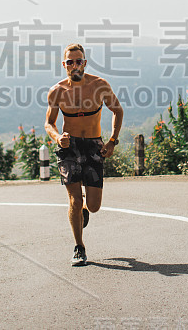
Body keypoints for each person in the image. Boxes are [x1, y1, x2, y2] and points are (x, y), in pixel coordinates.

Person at [45, 43, 123, 266]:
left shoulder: (99, 85)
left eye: (79, 61)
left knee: (95, 205)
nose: (75, 65)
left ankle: (86, 210)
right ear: (64, 65)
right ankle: (79, 246)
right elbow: (49, 123)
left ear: (85, 63)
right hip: (69, 148)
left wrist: (112, 141)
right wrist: (58, 138)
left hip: (93, 146)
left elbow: (117, 110)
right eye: (70, 62)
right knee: (74, 200)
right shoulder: (57, 91)